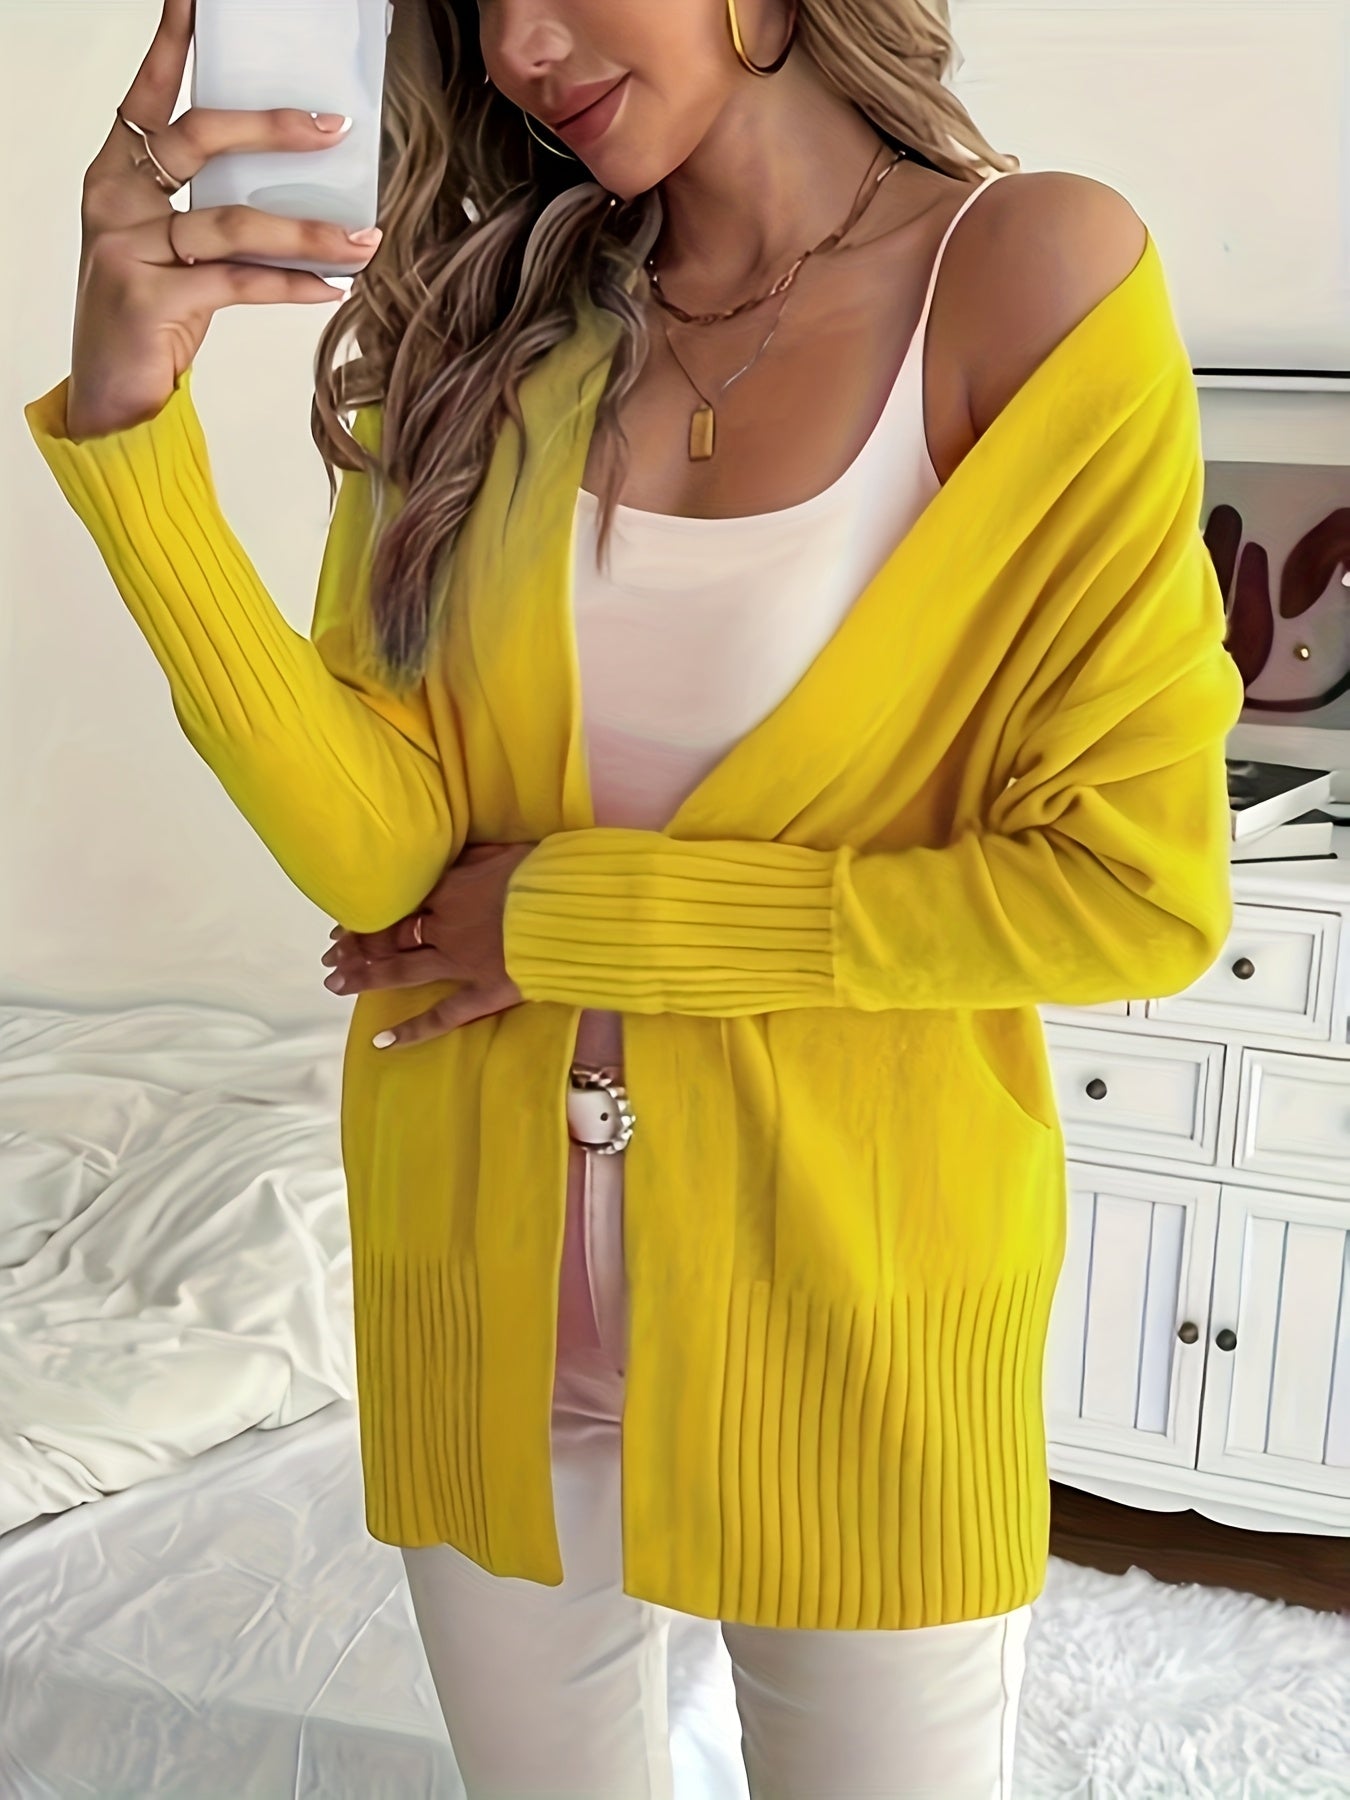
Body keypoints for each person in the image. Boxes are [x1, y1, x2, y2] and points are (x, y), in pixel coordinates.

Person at [25, 0, 1245, 1794]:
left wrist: (571, 923)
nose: (521, 42)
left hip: (853, 1296)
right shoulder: (485, 327)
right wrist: (135, 427)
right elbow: (378, 857)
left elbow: (1127, 894)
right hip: (474, 1270)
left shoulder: (1027, 273)